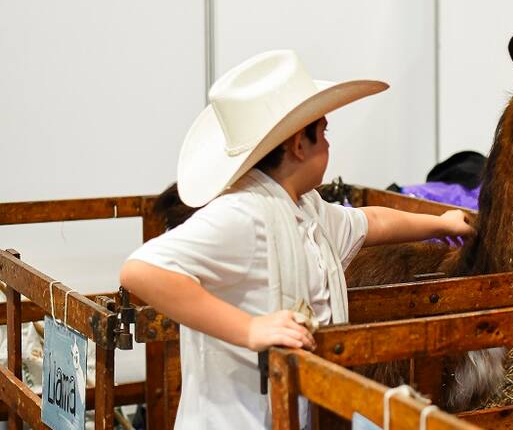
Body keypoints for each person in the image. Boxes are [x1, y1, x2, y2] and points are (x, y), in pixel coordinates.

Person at [119, 50, 474, 429]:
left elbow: (371, 222)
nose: (328, 142)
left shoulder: (306, 210)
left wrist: (442, 223)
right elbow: (142, 270)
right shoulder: (243, 214)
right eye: (322, 132)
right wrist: (249, 329)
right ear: (298, 146)